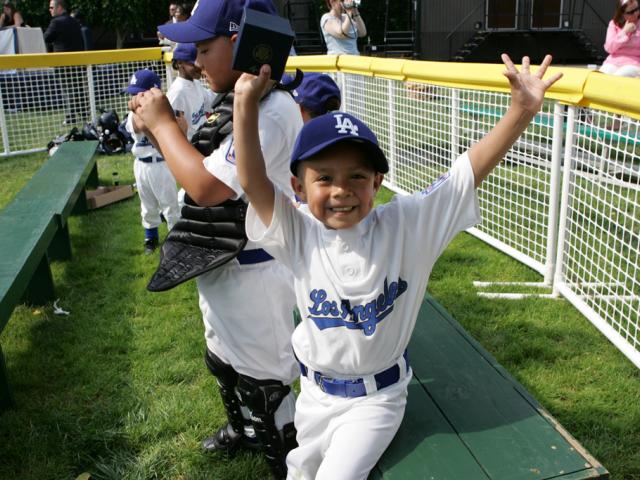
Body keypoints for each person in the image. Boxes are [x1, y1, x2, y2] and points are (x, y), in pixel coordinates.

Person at [232, 54, 562, 479]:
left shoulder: (407, 226)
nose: (341, 191)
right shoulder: (298, 232)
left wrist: (520, 110)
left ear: (378, 182)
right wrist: (244, 105)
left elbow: (466, 172)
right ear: (298, 186)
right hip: (314, 393)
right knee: (300, 472)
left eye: (357, 176)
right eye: (324, 177)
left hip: (376, 399)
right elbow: (253, 181)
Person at [127, 0, 302, 477]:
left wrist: (163, 128)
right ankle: (243, 430)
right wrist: (167, 131)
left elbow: (206, 187)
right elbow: (200, 157)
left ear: (243, 41)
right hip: (222, 259)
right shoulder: (236, 98)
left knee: (266, 380)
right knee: (223, 356)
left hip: (257, 269)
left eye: (205, 48)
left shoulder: (270, 108)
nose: (196, 60)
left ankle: (285, 457)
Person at [123, 69, 181, 254]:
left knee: (170, 204)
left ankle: (176, 239)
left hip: (162, 165)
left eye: (138, 93)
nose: (133, 98)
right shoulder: (133, 115)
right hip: (142, 164)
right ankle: (151, 237)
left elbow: (180, 124)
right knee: (147, 204)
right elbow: (140, 124)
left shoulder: (164, 108)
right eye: (132, 93)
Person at [44, 0, 86, 126]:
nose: (50, 10)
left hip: (64, 63)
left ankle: (70, 117)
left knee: (67, 91)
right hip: (77, 61)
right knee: (78, 89)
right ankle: (84, 114)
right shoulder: (74, 21)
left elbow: (46, 38)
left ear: (59, 7)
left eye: (51, 7)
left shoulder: (56, 22)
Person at [166, 42, 217, 141]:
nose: (199, 66)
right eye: (193, 64)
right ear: (179, 63)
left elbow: (213, 102)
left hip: (202, 140)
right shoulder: (177, 92)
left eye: (200, 62)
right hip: (190, 146)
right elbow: (172, 131)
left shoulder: (195, 83)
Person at [600, 0, 640, 77]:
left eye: (637, 9)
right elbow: (609, 48)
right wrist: (624, 32)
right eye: (631, 12)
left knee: (621, 75)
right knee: (603, 75)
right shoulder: (614, 24)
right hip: (613, 62)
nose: (636, 13)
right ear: (622, 14)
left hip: (635, 62)